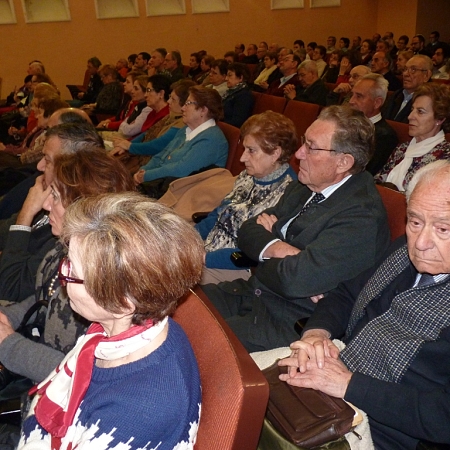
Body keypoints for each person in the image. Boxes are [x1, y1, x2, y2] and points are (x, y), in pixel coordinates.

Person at [279, 160, 450, 450]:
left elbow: (443, 417)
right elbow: (345, 294)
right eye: (415, 221)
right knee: (237, 393)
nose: (421, 242)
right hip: (336, 372)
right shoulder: (402, 253)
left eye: (443, 229)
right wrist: (317, 334)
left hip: (384, 430)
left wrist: (348, 385)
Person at [18, 191, 202, 449]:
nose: (63, 275)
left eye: (72, 270)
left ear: (122, 303)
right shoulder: (118, 332)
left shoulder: (136, 414)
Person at [201, 106, 390, 352]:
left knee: (198, 342)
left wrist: (266, 251)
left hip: (286, 320)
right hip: (252, 293)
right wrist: (280, 249)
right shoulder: (306, 185)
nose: (299, 153)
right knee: (179, 308)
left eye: (311, 147)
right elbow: (247, 230)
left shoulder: (361, 216)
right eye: (304, 142)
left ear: (343, 162)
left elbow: (295, 281)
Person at [0, 149, 134, 403]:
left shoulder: (100, 284)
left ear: (83, 208)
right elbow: (46, 295)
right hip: (28, 357)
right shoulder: (65, 245)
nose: (47, 204)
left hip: (52, 396)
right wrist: (9, 316)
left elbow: (80, 375)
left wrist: (7, 342)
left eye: (57, 197)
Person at [0, 123, 105, 302]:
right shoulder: (50, 193)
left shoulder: (72, 226)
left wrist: (26, 214)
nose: (40, 166)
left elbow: (11, 289)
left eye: (47, 160)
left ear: (73, 166)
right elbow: (4, 231)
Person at [196, 111, 297, 285]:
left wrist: (205, 258)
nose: (242, 158)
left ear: (275, 153)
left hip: (233, 267)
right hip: (205, 252)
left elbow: (254, 249)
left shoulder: (288, 194)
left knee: (165, 280)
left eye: (251, 151)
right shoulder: (248, 176)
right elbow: (219, 214)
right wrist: (189, 238)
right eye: (244, 149)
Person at [133, 85, 228, 185]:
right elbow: (162, 154)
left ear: (203, 110)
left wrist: (147, 175)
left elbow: (181, 169)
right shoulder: (185, 129)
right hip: (162, 184)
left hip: (184, 191)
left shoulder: (211, 140)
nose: (183, 108)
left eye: (188, 103)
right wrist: (144, 170)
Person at [375, 83, 450, 191]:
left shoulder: (446, 158)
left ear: (440, 119)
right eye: (412, 109)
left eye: (420, 112)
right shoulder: (402, 148)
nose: (410, 117)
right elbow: (378, 181)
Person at [110, 80, 196, 173]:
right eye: (170, 97)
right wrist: (124, 145)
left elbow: (158, 145)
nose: (168, 101)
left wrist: (129, 146)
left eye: (173, 99)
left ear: (184, 104)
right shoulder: (171, 116)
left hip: (150, 163)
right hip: (144, 157)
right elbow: (147, 133)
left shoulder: (182, 123)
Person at [349, 74, 398, 175]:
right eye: (352, 95)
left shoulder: (385, 137)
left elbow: (365, 173)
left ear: (377, 103)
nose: (351, 101)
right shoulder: (345, 123)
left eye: (359, 96)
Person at [99, 74, 150, 142]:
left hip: (127, 139)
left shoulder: (146, 108)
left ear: (145, 92)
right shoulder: (133, 103)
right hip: (122, 135)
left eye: (136, 88)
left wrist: (107, 125)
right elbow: (124, 120)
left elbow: (128, 130)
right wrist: (108, 121)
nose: (124, 84)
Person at [383, 55, 433, 123]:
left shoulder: (431, 100)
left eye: (413, 70)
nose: (405, 74)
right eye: (405, 69)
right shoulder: (396, 95)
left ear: (426, 75)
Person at [222, 63, 254, 128]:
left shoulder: (244, 96)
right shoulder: (231, 92)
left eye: (230, 75)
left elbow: (237, 122)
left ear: (240, 78)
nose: (226, 79)